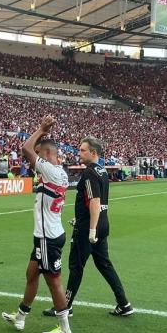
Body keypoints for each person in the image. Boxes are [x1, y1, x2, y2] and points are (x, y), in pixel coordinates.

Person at [44, 136, 133, 318]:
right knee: (104, 264)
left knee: (76, 266)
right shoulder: (102, 171)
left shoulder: (90, 173)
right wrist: (83, 219)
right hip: (102, 223)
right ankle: (124, 303)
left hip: (88, 229)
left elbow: (95, 201)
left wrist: (90, 228)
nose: (79, 153)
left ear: (93, 153)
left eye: (82, 150)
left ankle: (65, 306)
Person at [2, 116, 72, 333]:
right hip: (46, 235)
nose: (37, 159)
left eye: (40, 154)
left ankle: (64, 328)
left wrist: (41, 130)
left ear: (49, 155)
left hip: (47, 237)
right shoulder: (57, 173)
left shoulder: (52, 171)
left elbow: (25, 148)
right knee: (31, 274)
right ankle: (21, 317)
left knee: (54, 281)